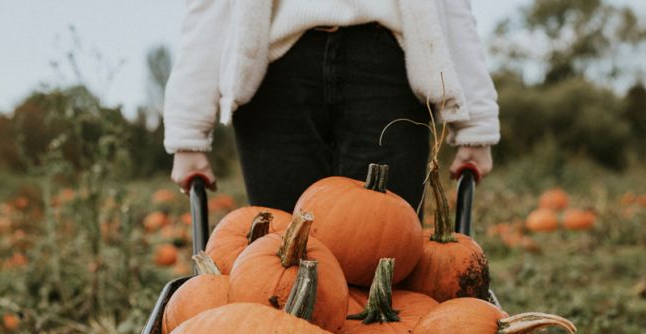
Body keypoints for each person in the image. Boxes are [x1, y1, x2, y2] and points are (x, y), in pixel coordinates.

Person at [164, 0, 500, 212]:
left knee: (386, 252)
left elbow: (453, 9)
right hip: (276, 73)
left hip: (387, 65)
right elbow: (208, 9)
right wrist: (187, 132)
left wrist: (477, 125)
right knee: (282, 253)